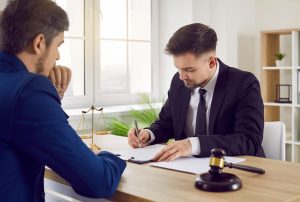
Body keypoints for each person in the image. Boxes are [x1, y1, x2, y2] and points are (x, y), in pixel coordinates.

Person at [0, 0, 126, 201]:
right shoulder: (28, 92)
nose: (58, 56)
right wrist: (113, 157)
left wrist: (52, 99)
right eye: (58, 45)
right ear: (39, 43)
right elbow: (98, 182)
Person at [128, 23, 265, 161]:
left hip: (237, 169)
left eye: (189, 70)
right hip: (187, 169)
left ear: (211, 62)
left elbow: (249, 140)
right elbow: (166, 123)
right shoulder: (179, 82)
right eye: (178, 69)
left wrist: (192, 145)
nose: (181, 76)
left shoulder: (244, 83)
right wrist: (148, 134)